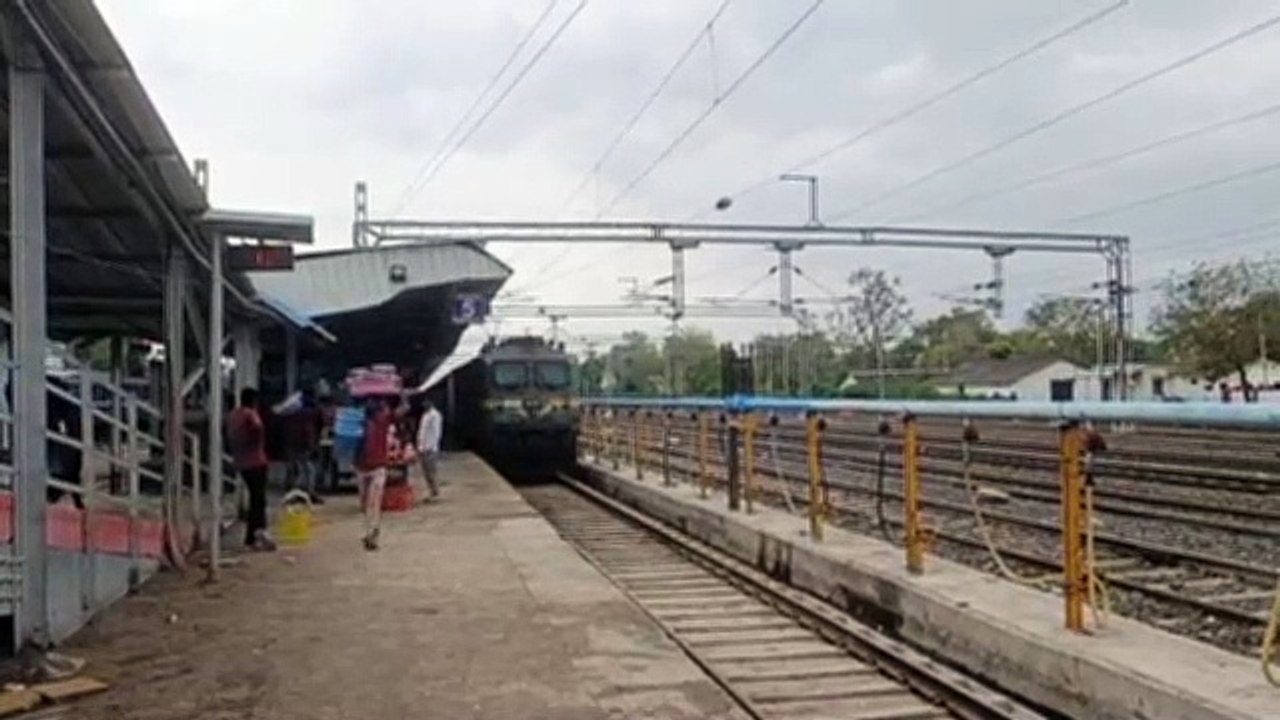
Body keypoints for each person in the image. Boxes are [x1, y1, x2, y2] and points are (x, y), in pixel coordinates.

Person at [227, 387, 275, 551]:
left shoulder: (234, 415)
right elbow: (258, 428)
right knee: (259, 500)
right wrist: (256, 443)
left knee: (255, 498)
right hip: (256, 460)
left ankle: (252, 536)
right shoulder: (250, 414)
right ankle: (258, 533)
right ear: (254, 400)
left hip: (241, 461)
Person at [356, 395, 394, 551]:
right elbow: (401, 409)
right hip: (375, 467)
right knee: (372, 504)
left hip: (364, 467)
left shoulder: (362, 424)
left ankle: (371, 533)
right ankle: (371, 532)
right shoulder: (381, 422)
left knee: (368, 504)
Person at [282, 389, 324, 505]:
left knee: (298, 469)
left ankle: (297, 493)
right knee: (308, 470)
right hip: (304, 444)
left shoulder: (293, 412)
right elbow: (317, 425)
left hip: (292, 444)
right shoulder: (311, 412)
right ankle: (307, 493)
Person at [417, 399, 443, 501]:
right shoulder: (425, 415)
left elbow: (436, 432)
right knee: (426, 471)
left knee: (431, 471)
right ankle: (432, 490)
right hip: (423, 447)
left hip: (430, 448)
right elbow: (422, 432)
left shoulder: (435, 415)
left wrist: (431, 446)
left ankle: (435, 491)